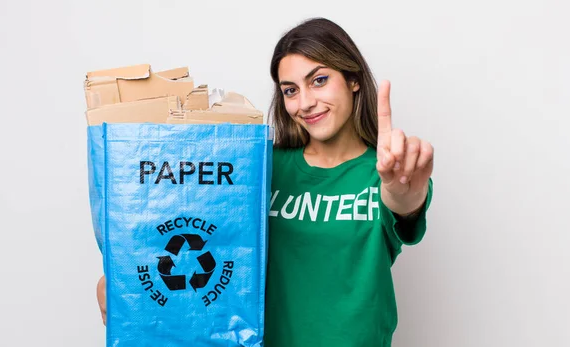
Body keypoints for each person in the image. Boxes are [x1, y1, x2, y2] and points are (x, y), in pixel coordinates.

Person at [97, 17, 434, 347]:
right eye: (291, 90)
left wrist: (403, 191)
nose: (304, 103)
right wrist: (122, 276)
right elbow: (190, 223)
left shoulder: (388, 172)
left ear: (353, 79)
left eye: (318, 80)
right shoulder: (259, 166)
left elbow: (403, 203)